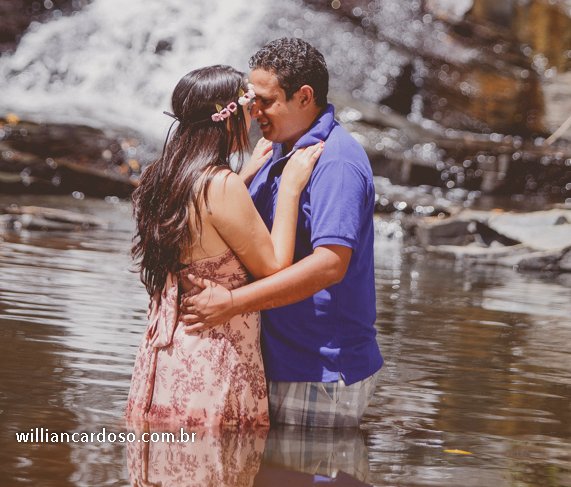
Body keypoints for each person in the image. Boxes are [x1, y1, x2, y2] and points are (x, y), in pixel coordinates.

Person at [182, 39, 383, 428]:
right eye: (250, 99)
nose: (252, 110)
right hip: (272, 359)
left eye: (265, 100)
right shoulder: (278, 150)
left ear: (304, 97)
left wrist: (232, 303)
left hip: (317, 367)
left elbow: (329, 266)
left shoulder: (335, 162)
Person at [125, 64, 323, 429]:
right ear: (226, 119)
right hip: (214, 357)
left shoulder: (161, 176)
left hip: (167, 354)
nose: (253, 116)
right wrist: (291, 187)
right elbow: (275, 266)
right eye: (248, 106)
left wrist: (244, 176)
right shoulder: (221, 186)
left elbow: (202, 221)